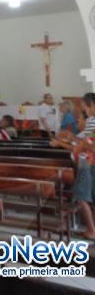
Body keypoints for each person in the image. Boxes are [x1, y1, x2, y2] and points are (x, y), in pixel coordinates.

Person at [50, 93, 95, 239]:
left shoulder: (92, 121)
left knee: (81, 197)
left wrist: (69, 143)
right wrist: (71, 139)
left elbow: (87, 144)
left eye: (84, 109)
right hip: (89, 162)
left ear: (91, 105)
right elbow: (85, 142)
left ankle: (91, 231)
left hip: (88, 163)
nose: (84, 112)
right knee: (89, 197)